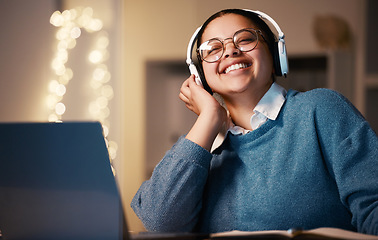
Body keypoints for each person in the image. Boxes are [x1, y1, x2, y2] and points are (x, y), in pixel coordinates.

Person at [131, 9, 378, 235]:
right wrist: (209, 118)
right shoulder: (200, 148)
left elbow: (373, 206)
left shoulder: (321, 109)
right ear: (198, 75)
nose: (230, 50)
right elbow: (160, 224)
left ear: (275, 55)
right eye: (213, 48)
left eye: (246, 39)